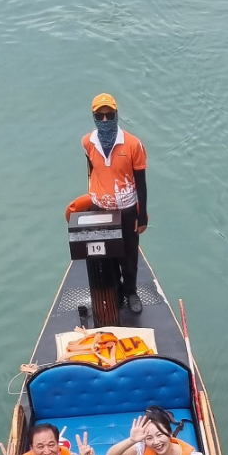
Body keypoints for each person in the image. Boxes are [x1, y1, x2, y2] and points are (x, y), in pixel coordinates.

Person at [65, 92, 148, 315]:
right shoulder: (87, 143)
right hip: (101, 209)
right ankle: (117, 291)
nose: (105, 120)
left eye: (109, 115)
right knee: (107, 255)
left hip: (127, 208)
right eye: (100, 116)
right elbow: (92, 170)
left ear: (116, 115)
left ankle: (131, 292)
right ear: (93, 117)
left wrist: (143, 215)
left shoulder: (133, 145)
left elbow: (141, 182)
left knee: (129, 255)